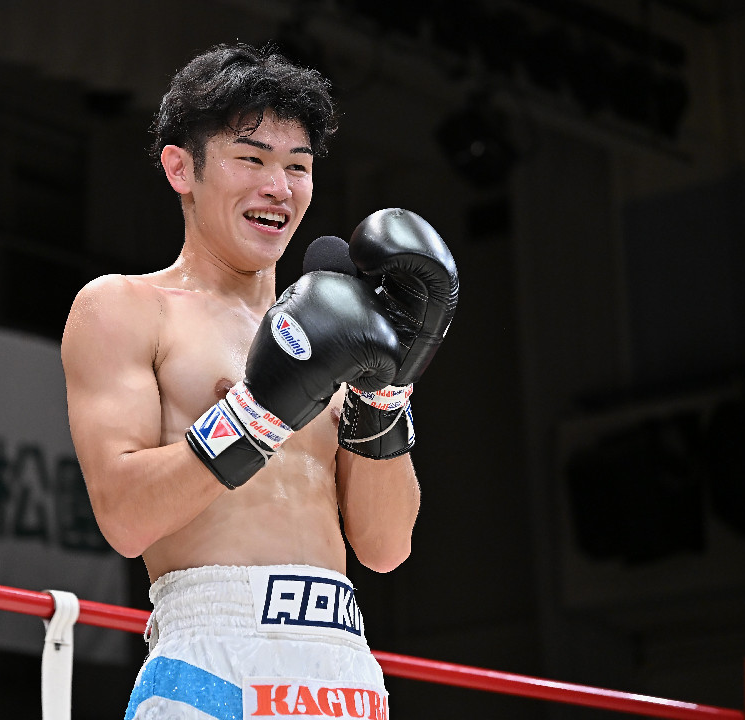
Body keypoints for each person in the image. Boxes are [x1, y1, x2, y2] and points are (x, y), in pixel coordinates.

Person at [61, 42, 457, 719]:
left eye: (297, 166)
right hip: (213, 652)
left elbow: (386, 548)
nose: (279, 187)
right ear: (180, 168)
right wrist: (260, 409)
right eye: (252, 159)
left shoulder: (335, 328)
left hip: (343, 665)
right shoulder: (125, 308)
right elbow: (124, 520)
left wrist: (385, 393)